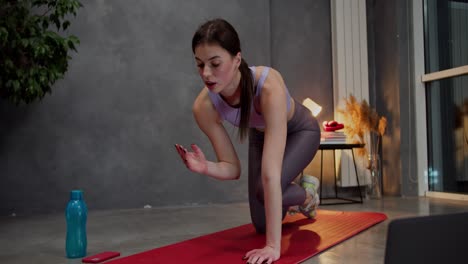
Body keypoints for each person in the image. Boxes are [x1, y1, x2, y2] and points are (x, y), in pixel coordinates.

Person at [175, 18, 321, 264]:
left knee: (267, 186)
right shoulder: (204, 107)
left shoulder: (268, 85)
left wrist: (273, 247)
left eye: (215, 63)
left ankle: (308, 195)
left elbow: (270, 175)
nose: (206, 74)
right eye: (200, 65)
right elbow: (232, 168)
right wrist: (205, 167)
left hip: (301, 131)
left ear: (237, 60)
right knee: (262, 224)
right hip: (260, 134)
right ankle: (302, 193)